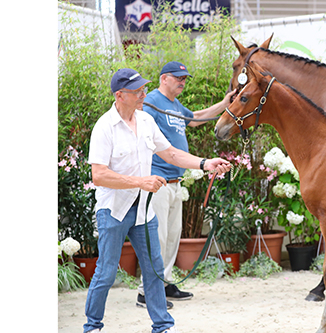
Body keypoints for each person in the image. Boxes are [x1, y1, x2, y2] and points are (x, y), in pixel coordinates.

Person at [84, 68, 231, 333]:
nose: (143, 95)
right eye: (137, 91)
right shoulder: (104, 127)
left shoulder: (146, 122)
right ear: (120, 95)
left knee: (154, 270)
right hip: (113, 211)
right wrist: (141, 182)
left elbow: (171, 153)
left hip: (143, 210)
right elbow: (99, 175)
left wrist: (205, 163)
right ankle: (92, 326)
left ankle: (162, 326)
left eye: (143, 89)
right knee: (105, 273)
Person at [136, 61, 236, 307]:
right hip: (156, 180)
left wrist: (225, 103)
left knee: (171, 237)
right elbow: (145, 139)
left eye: (184, 78)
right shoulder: (151, 103)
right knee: (156, 238)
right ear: (164, 79)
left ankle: (165, 282)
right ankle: (146, 292)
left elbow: (196, 118)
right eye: (178, 78)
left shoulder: (173, 104)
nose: (182, 82)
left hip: (175, 181)